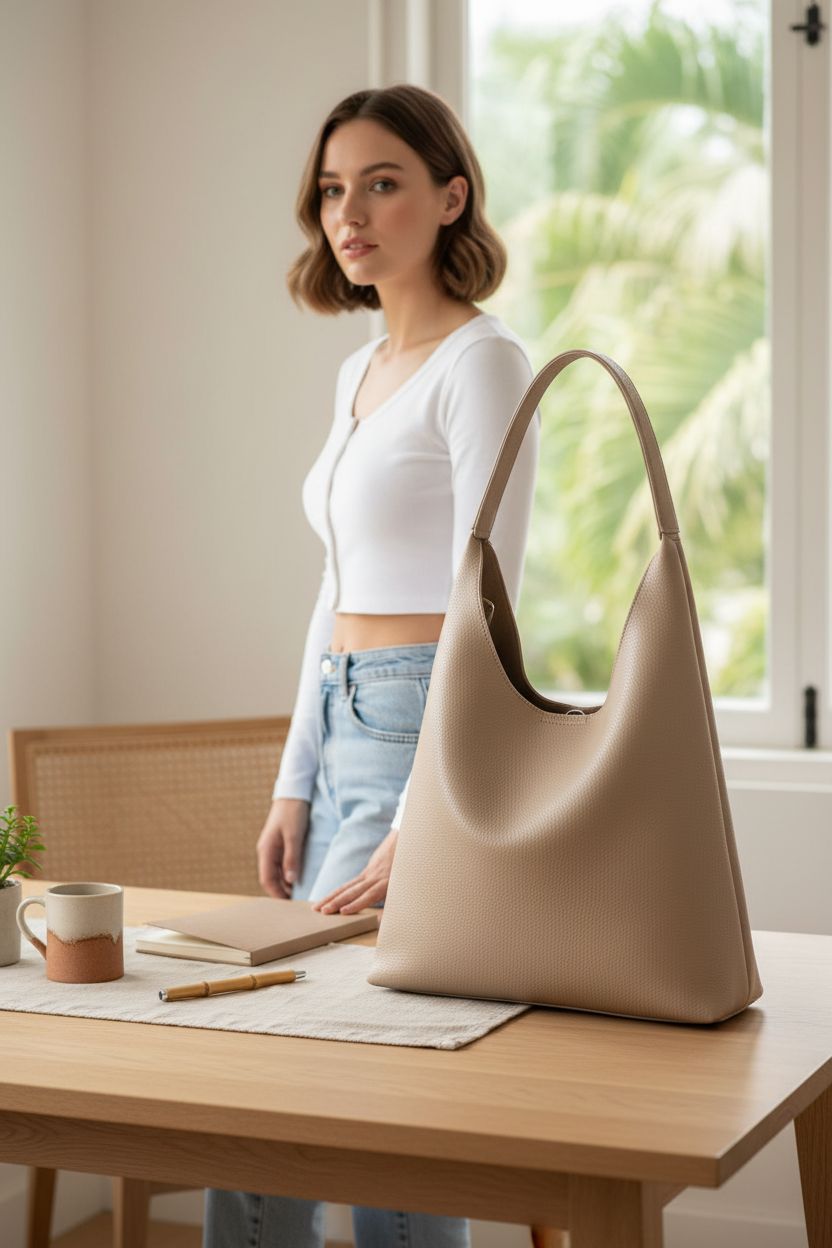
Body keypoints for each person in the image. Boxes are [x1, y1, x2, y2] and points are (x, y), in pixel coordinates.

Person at [203, 82, 541, 1248]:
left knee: (368, 1070)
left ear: (451, 198)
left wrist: (423, 813)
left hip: (421, 726)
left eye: (382, 183)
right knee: (294, 1068)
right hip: (346, 719)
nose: (349, 212)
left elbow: (483, 606)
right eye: (333, 190)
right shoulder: (359, 372)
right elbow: (334, 589)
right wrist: (295, 777)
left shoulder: (483, 364)